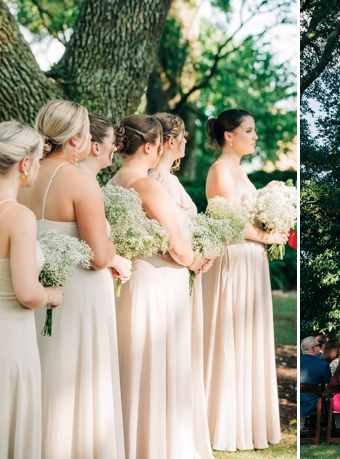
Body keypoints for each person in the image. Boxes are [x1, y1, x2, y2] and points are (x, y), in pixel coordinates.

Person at [18, 102, 131, 459]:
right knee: (81, 373)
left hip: (40, 289)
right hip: (80, 293)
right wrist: (116, 252)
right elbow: (98, 255)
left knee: (47, 365)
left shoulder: (23, 179)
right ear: (78, 139)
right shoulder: (81, 182)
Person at [109, 115, 210, 457]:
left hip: (129, 284)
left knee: (133, 360)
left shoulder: (113, 182)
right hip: (159, 281)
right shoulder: (149, 186)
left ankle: (131, 441)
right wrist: (195, 260)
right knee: (157, 363)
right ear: (150, 146)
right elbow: (178, 247)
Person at [203, 109, 286, 451]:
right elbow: (228, 222)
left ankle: (248, 421)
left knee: (249, 334)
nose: (255, 136)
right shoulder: (221, 170)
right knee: (232, 334)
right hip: (235, 258)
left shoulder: (241, 170)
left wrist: (274, 226)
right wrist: (267, 237)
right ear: (229, 135)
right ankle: (224, 425)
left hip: (252, 260)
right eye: (249, 130)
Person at [0, 120, 66, 459]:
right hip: (7, 343)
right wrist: (52, 295)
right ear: (24, 165)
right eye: (37, 160)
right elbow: (28, 293)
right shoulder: (17, 216)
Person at [151, 112, 215, 458]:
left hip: (180, 271)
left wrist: (203, 250)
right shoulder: (155, 181)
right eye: (185, 138)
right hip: (166, 272)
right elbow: (165, 234)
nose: (188, 144)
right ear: (171, 141)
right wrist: (192, 258)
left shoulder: (168, 181)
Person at [299, 337, 331, 431]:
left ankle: (302, 427)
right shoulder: (322, 364)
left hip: (299, 398)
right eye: (318, 345)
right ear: (314, 348)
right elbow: (327, 383)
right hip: (314, 402)